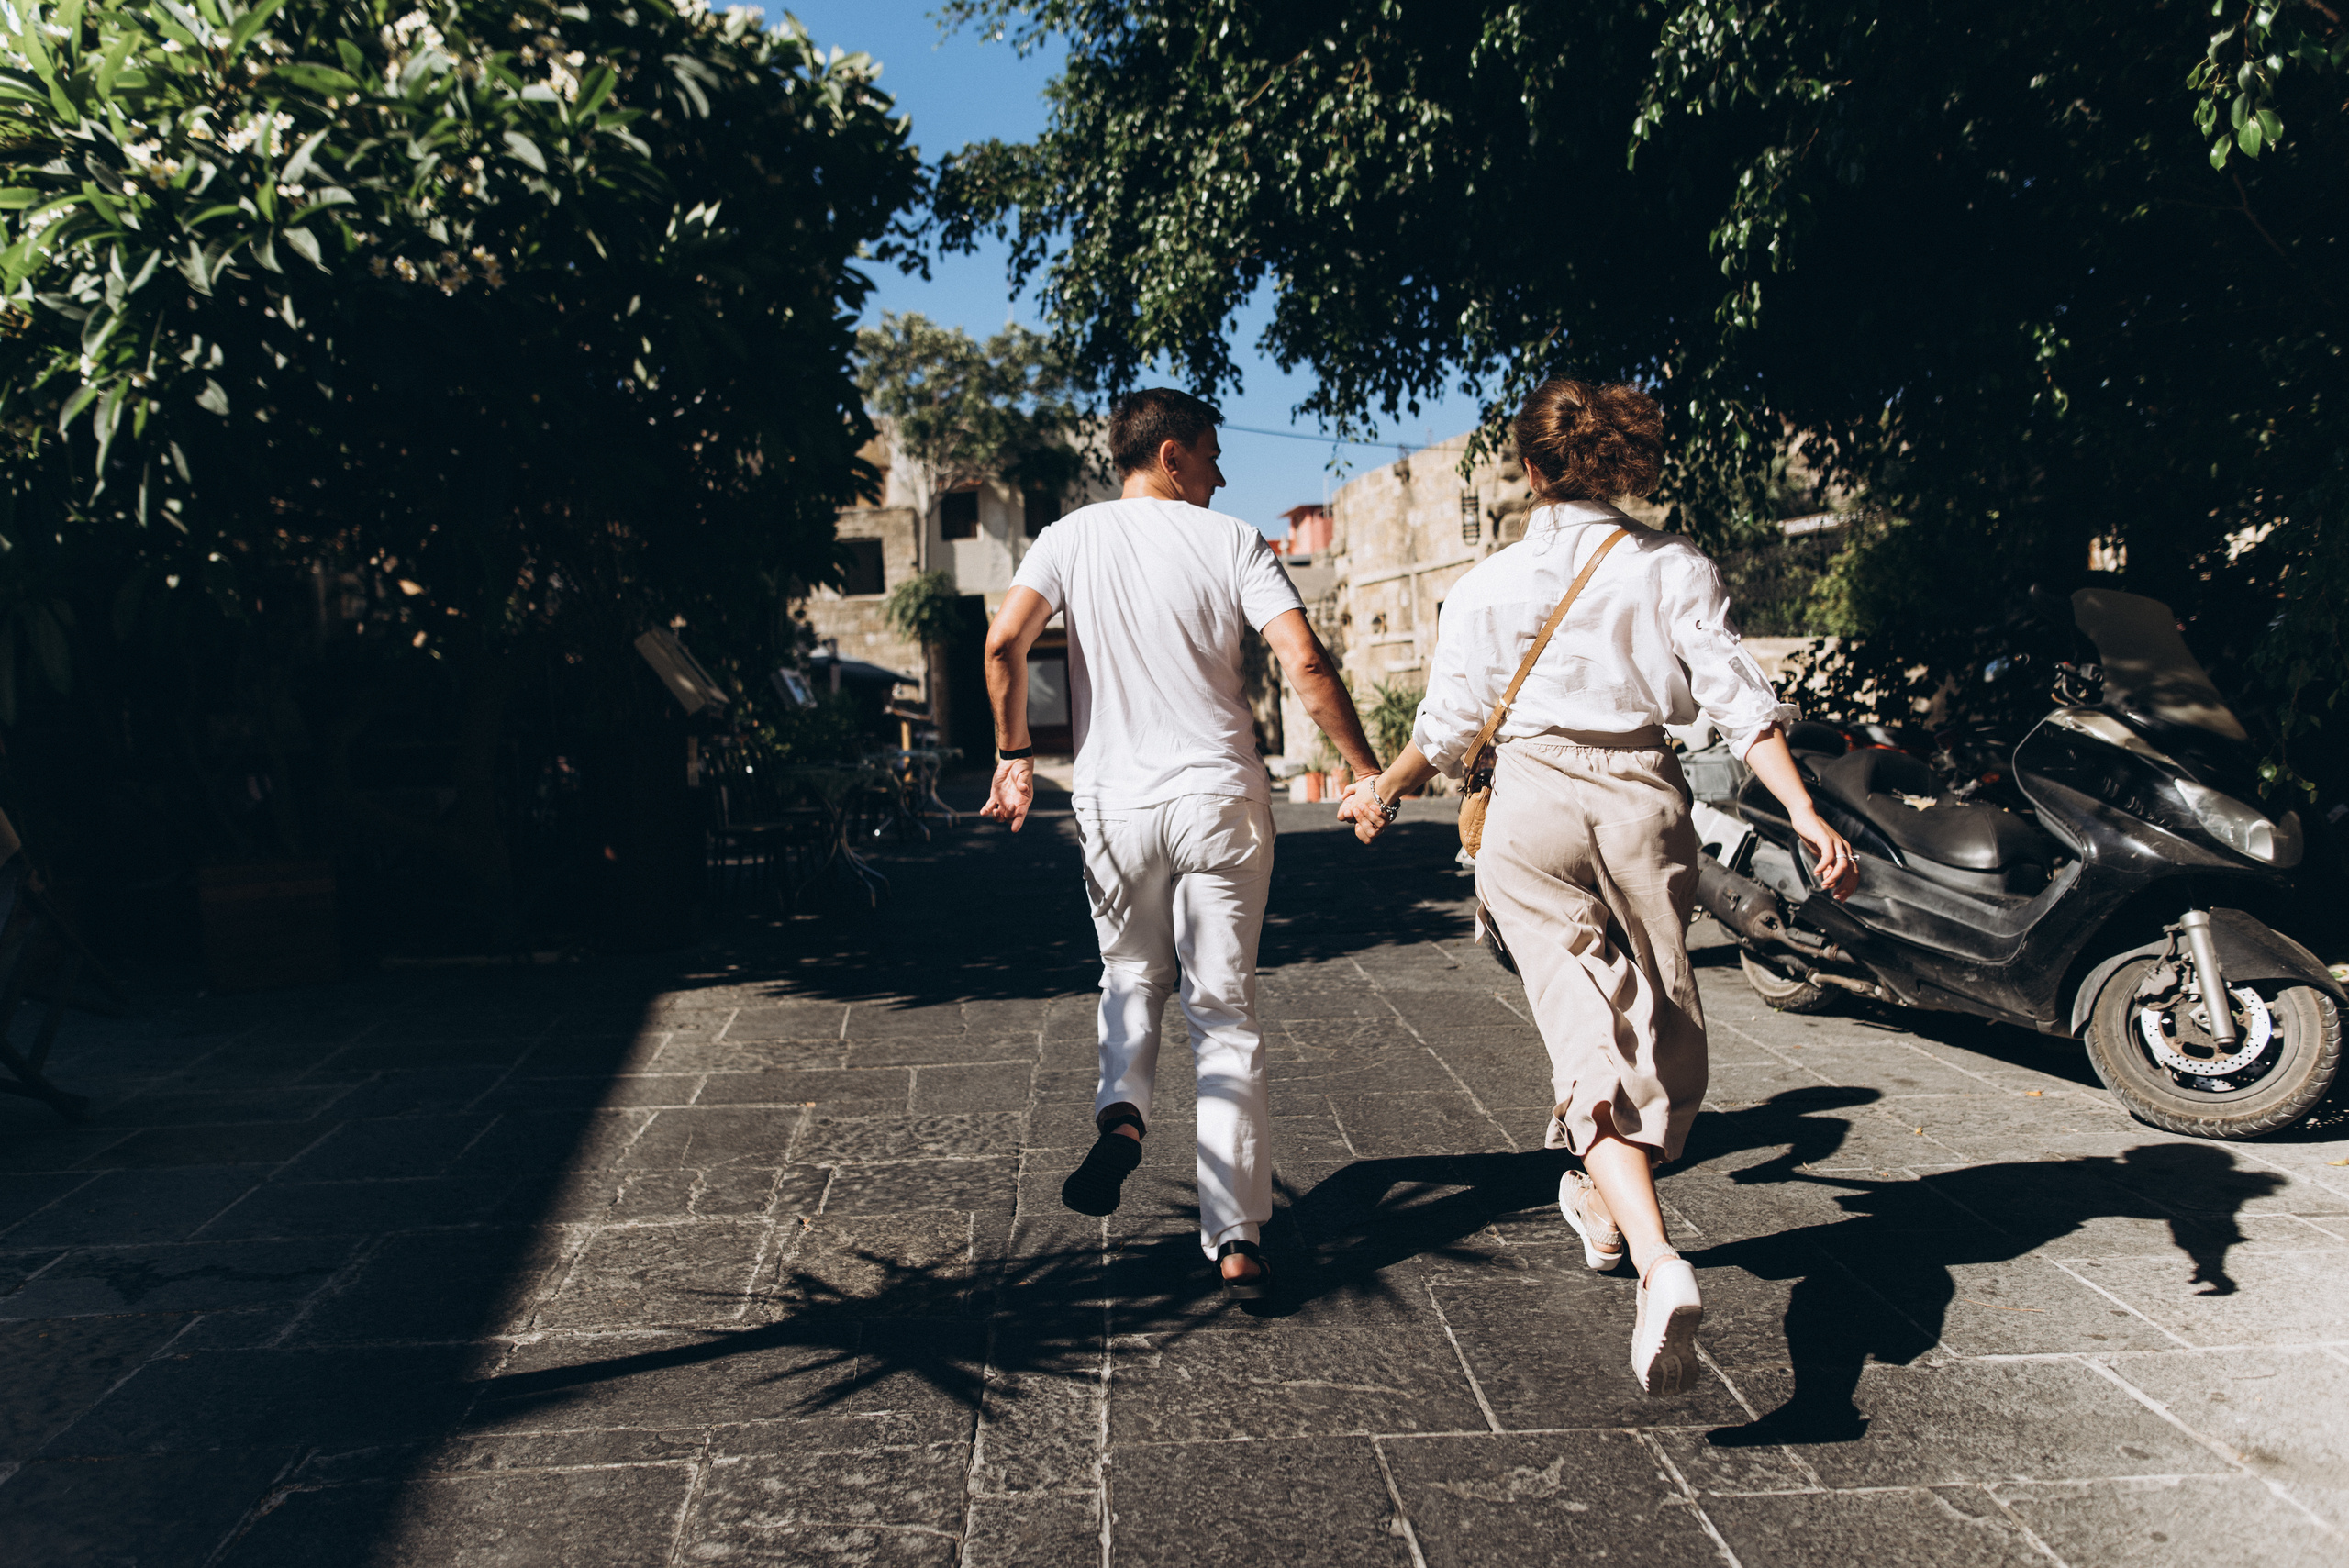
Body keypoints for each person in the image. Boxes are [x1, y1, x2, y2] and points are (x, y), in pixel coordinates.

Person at [1338, 378, 1857, 1394]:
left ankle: (1636, 1235)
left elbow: (1444, 730)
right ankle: (1626, 1216)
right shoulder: (1672, 567)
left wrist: (1384, 792)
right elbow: (1735, 701)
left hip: (1527, 802)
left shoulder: (1485, 585)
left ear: (1529, 469)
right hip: (1640, 798)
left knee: (1585, 1022)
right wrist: (1800, 809)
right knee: (1662, 1019)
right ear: (1626, 463)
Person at [980, 388, 1381, 1298]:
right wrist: (1361, 770)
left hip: (1115, 804)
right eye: (1209, 453)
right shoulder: (1233, 541)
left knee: (1128, 973)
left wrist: (1014, 755)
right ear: (1170, 456)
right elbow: (1306, 663)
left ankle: (1122, 1114)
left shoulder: (1067, 538)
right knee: (1224, 1014)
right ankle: (1238, 1236)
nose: (1220, 472)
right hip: (1220, 799)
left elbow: (1004, 641)